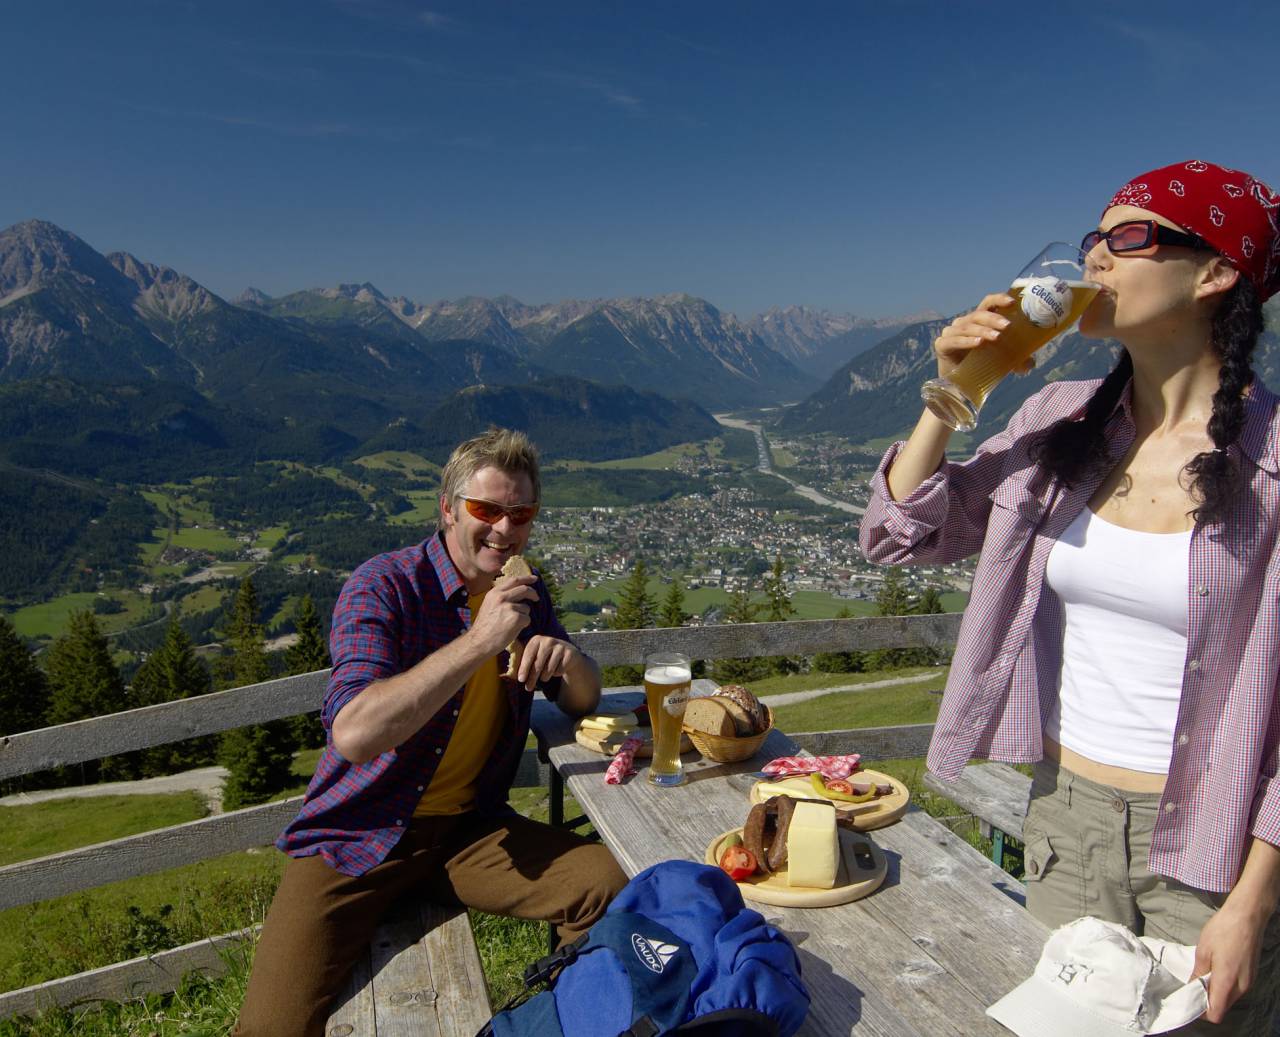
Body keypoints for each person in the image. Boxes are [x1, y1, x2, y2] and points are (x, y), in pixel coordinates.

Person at [860, 160, 1280, 1034]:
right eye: (1093, 238)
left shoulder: (1273, 464)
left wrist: (1252, 902)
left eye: (1128, 238)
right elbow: (900, 534)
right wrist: (954, 391)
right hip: (1066, 815)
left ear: (1215, 272)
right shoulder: (1057, 414)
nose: (1094, 259)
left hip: (1218, 849)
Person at [234, 427, 628, 1037]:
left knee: (605, 883)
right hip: (359, 834)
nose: (504, 528)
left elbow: (584, 698)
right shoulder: (384, 586)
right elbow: (354, 733)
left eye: (520, 513)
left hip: (469, 832)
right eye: (485, 509)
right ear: (447, 508)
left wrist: (568, 661)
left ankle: (557, 1019)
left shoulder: (525, 592)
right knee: (270, 1028)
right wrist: (480, 641)